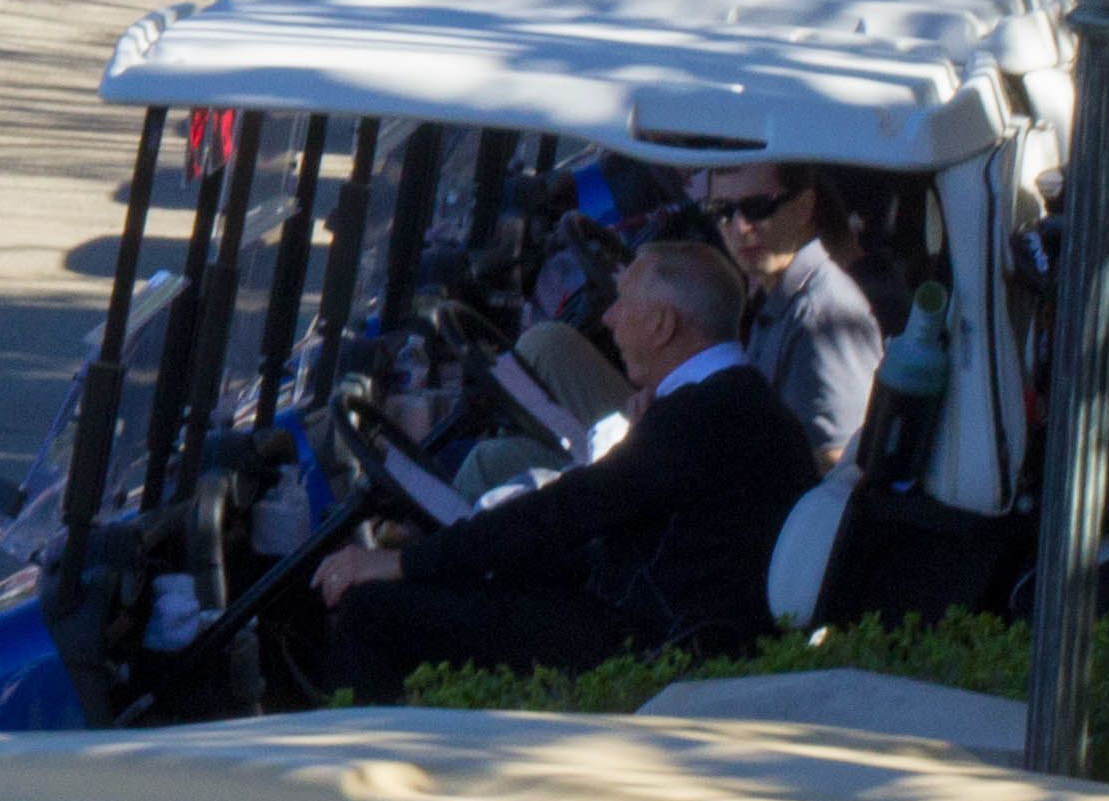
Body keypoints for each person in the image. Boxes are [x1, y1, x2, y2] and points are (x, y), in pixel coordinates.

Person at [313, 239, 825, 695]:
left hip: (653, 643)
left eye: (624, 301)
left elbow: (565, 511)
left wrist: (403, 562)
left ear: (663, 324)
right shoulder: (739, 402)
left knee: (371, 610)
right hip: (670, 619)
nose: (610, 317)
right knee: (482, 573)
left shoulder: (697, 417)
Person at [686, 158, 883, 471]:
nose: (739, 227)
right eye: (720, 211)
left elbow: (843, 466)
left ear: (804, 207)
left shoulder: (821, 315)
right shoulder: (780, 301)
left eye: (758, 207)